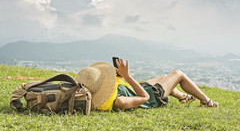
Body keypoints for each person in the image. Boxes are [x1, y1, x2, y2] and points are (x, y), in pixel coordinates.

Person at [76, 58, 218, 111]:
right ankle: (207, 101)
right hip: (152, 97)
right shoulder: (118, 102)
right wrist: (128, 77)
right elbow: (144, 98)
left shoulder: (100, 96)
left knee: (163, 77)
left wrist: (119, 77)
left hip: (140, 88)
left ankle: (183, 97)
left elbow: (124, 89)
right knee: (178, 74)